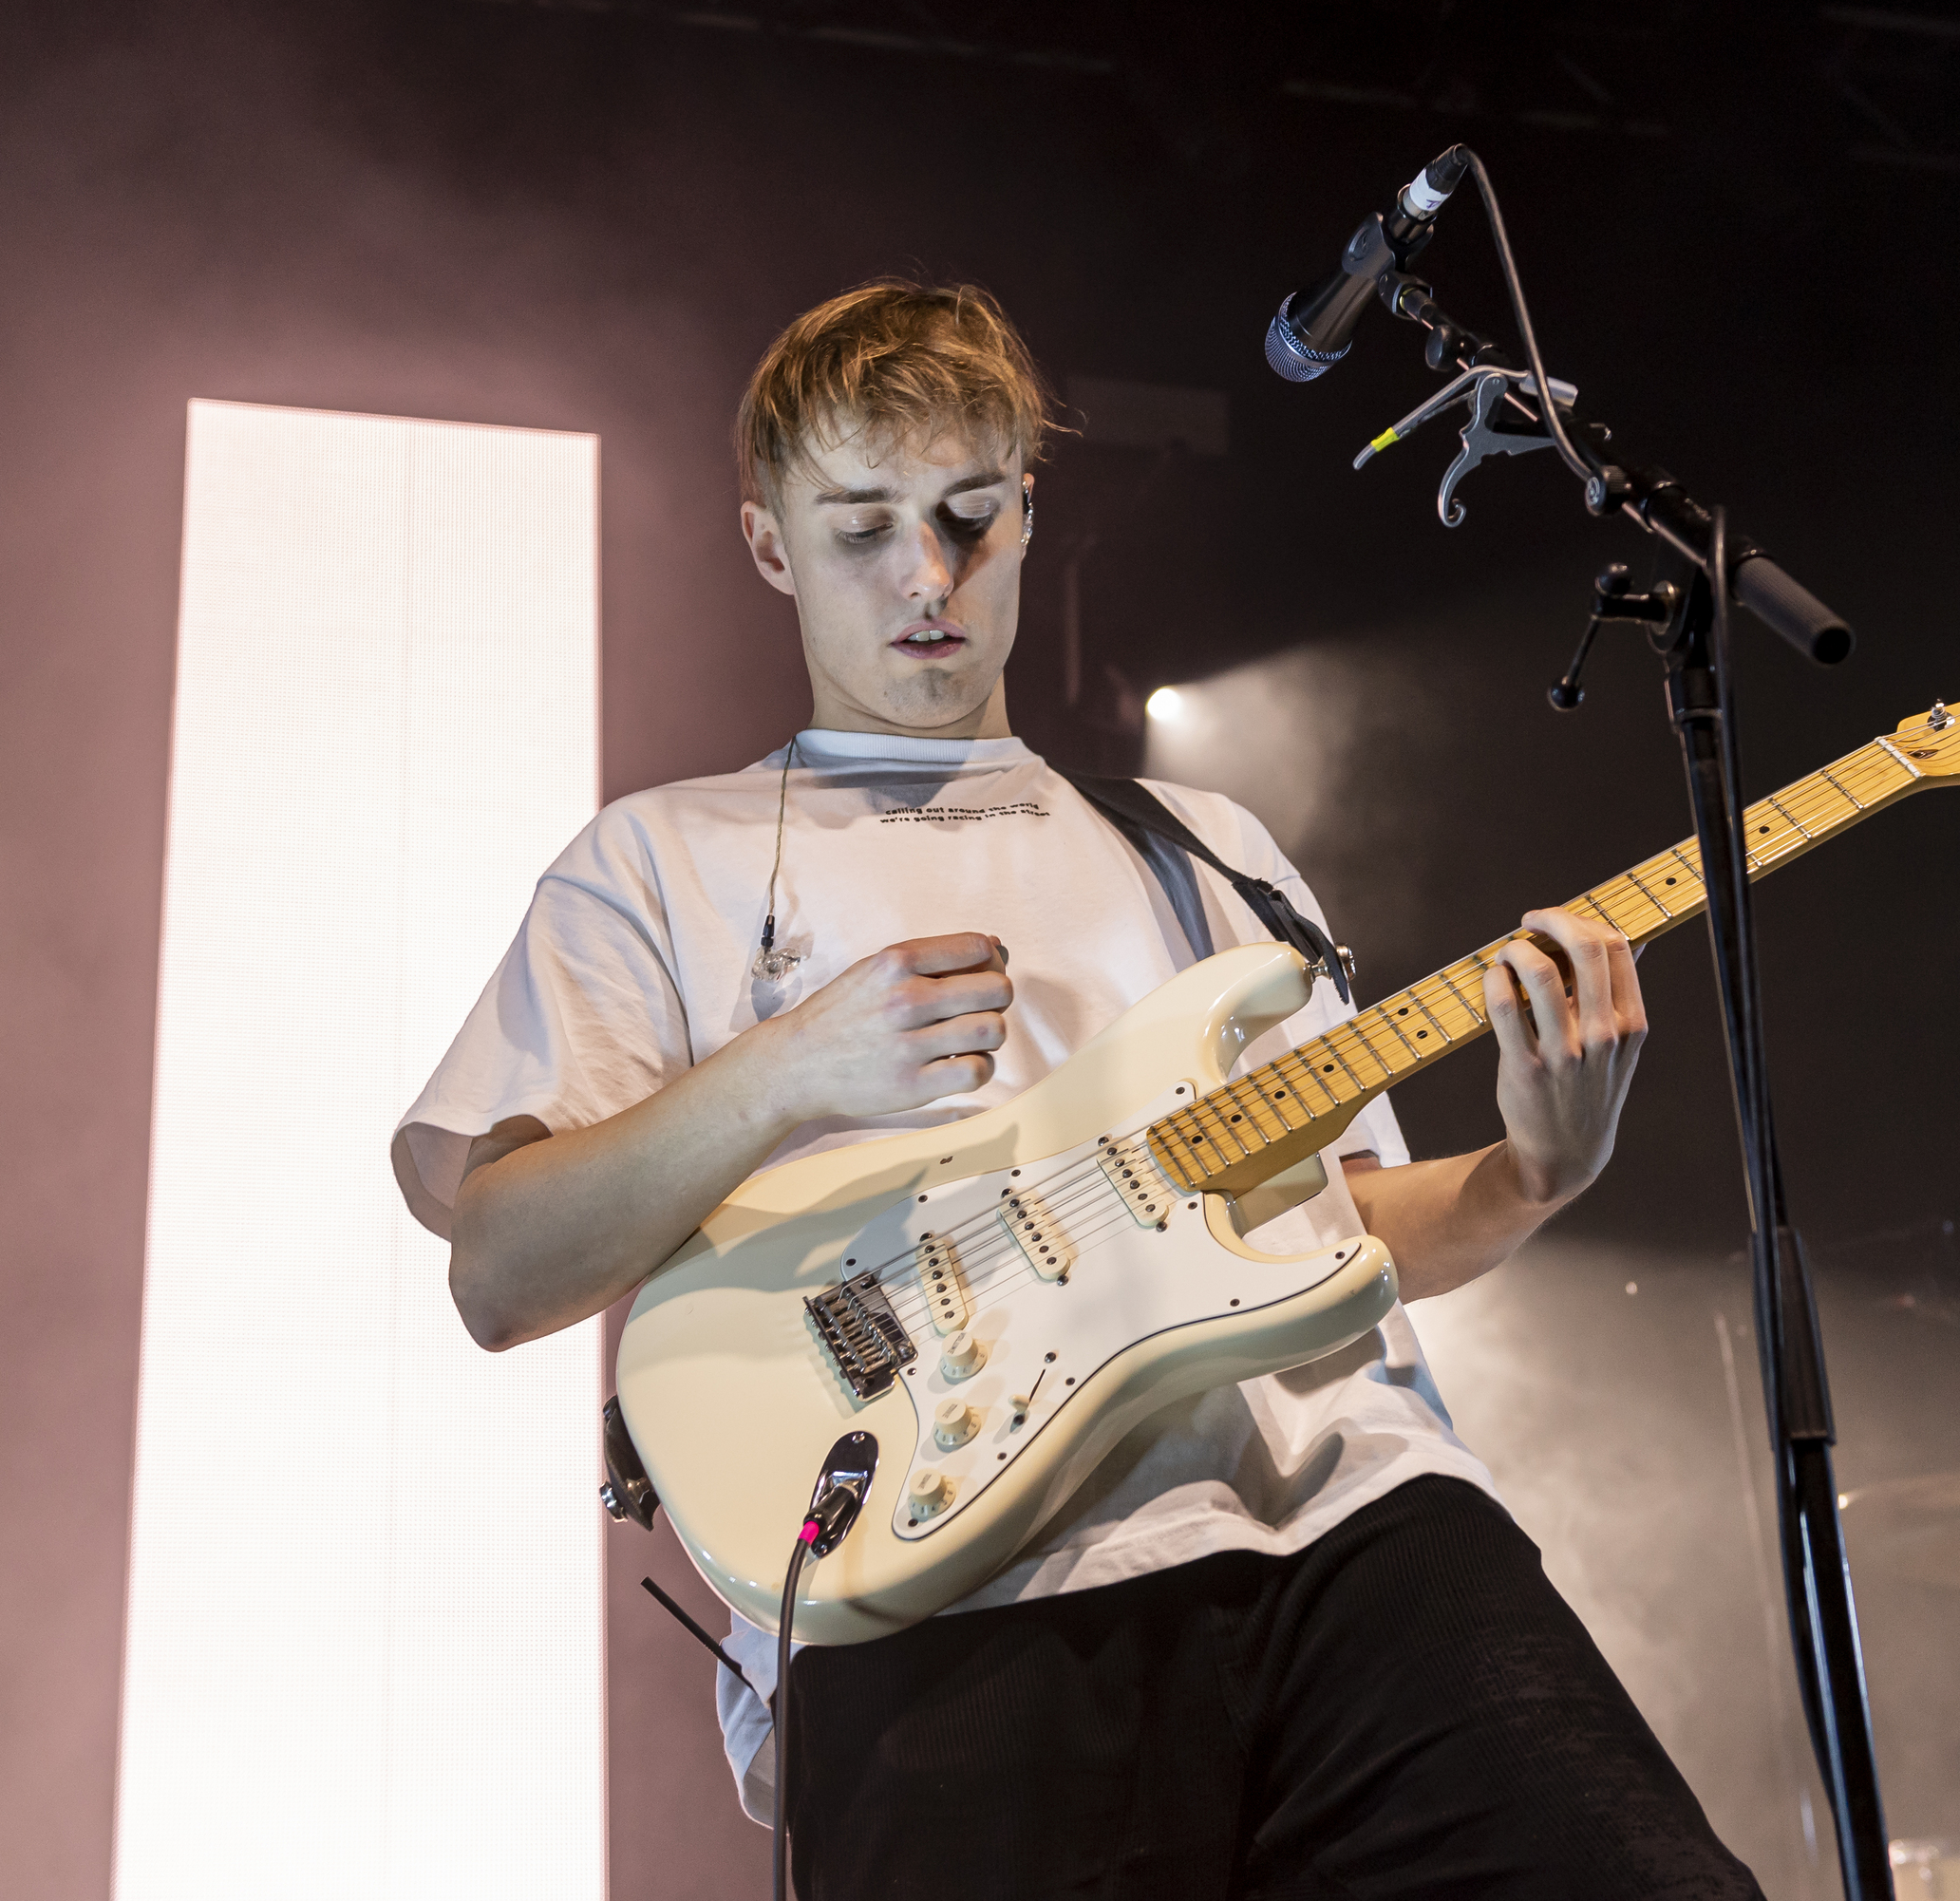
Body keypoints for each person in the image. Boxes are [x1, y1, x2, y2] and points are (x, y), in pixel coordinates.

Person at [389, 279, 1762, 1899]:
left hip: (1355, 1531)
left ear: (1030, 514)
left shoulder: (1206, 850)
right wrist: (787, 1071)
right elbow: (501, 1264)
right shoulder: (657, 857)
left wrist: (1534, 1174)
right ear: (769, 544)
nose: (927, 575)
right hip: (949, 1596)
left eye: (971, 516)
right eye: (863, 527)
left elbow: (1348, 1223)